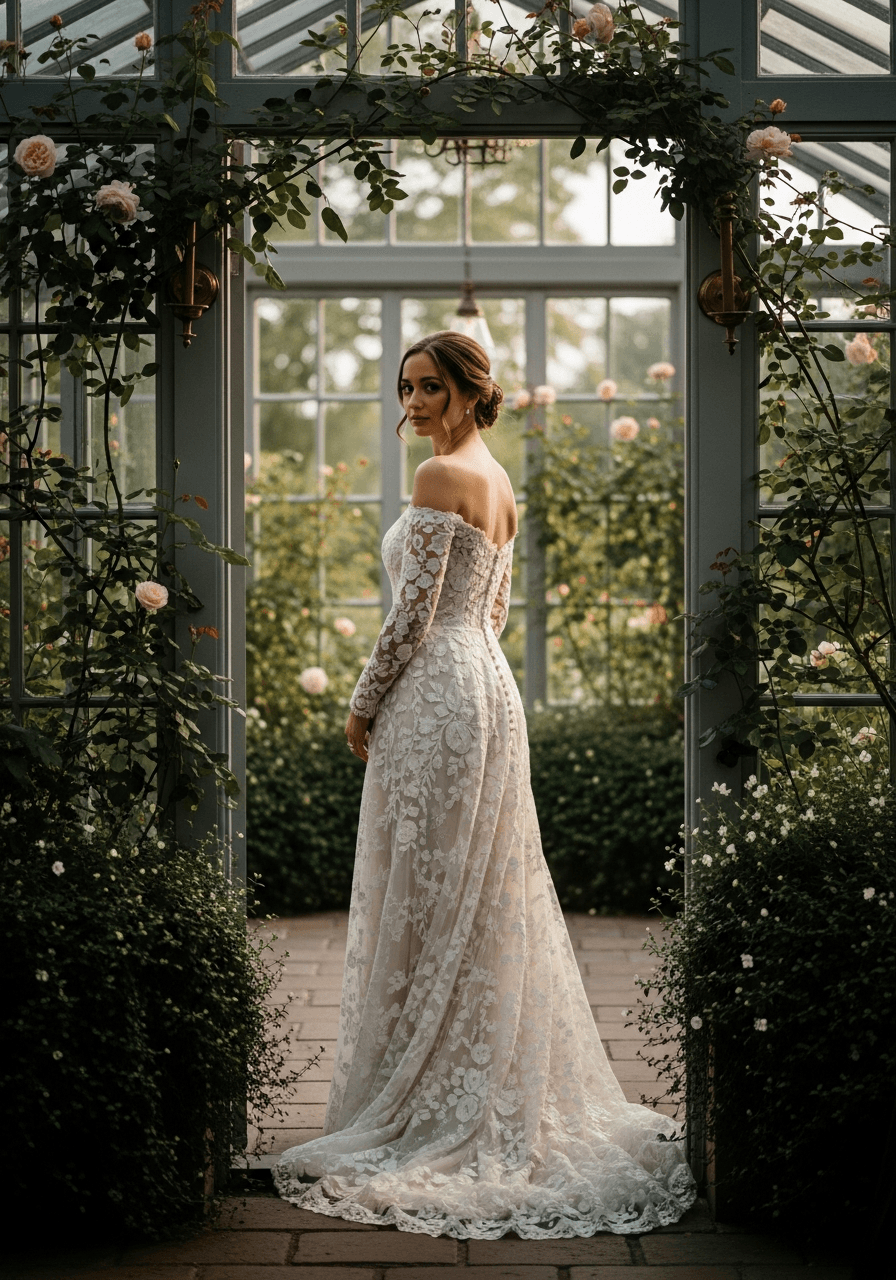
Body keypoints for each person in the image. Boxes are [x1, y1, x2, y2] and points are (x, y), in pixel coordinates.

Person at [272, 331, 696, 1238]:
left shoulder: (438, 477)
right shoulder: (498, 479)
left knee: (430, 891)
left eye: (430, 387)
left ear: (470, 392)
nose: (414, 402)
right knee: (476, 891)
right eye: (406, 387)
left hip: (436, 694)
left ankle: (430, 1094)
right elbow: (491, 613)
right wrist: (458, 679)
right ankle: (465, 1077)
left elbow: (410, 618)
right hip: (486, 686)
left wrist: (361, 704)